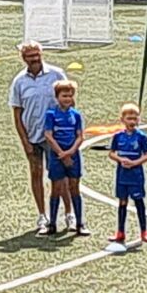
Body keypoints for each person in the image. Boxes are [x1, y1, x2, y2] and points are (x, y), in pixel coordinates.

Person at [9, 44, 67, 226]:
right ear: (23, 58)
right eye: (30, 56)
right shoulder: (19, 81)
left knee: (60, 176)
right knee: (36, 173)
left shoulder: (56, 74)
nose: (34, 59)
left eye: (36, 54)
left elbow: (68, 103)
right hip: (32, 135)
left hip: (55, 137)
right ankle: (42, 215)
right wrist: (24, 141)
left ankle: (69, 214)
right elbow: (17, 114)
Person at [41, 79, 87, 237]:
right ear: (57, 97)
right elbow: (48, 135)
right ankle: (52, 223)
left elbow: (80, 136)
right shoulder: (51, 114)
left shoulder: (76, 115)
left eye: (70, 95)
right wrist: (61, 153)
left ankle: (80, 223)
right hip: (57, 157)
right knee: (56, 188)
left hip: (73, 156)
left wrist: (70, 152)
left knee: (74, 187)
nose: (67, 98)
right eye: (64, 95)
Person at [106, 104, 147, 244]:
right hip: (122, 176)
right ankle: (120, 232)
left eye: (134, 118)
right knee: (122, 202)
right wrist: (120, 160)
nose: (132, 121)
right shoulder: (118, 136)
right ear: (122, 120)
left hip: (136, 175)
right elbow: (111, 153)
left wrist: (135, 162)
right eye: (129, 118)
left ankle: (144, 231)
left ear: (138, 119)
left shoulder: (141, 136)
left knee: (139, 201)